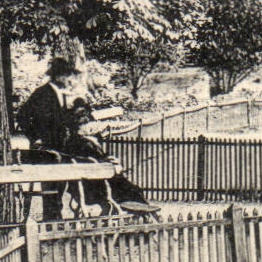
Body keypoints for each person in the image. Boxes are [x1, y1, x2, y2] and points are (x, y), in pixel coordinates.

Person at [15, 57, 158, 216]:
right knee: (60, 181)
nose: (71, 80)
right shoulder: (43, 94)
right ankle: (110, 196)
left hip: (63, 147)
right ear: (59, 76)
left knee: (92, 157)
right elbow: (22, 117)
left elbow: (66, 123)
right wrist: (36, 138)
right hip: (50, 149)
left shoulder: (61, 95)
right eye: (69, 76)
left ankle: (123, 194)